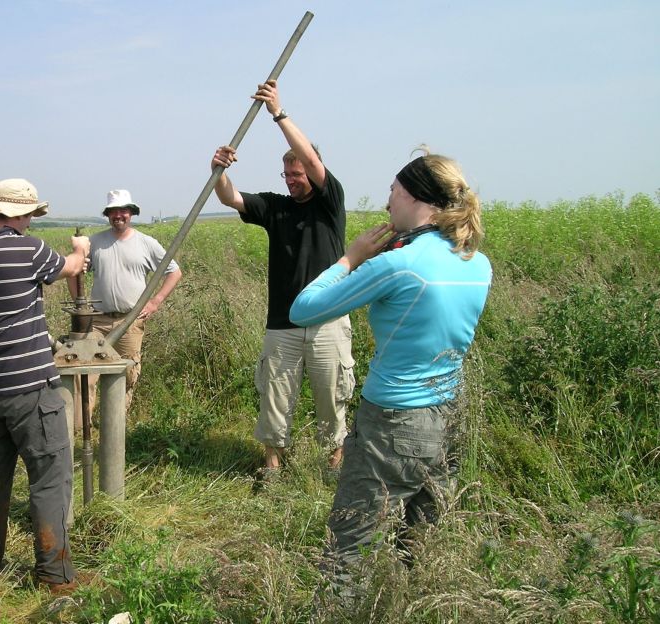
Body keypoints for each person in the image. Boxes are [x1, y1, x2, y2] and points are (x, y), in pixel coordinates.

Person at [288, 151, 492, 602]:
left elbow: (303, 309)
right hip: (449, 413)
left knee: (351, 541)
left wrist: (351, 258)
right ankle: (418, 604)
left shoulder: (400, 263)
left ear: (418, 198)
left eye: (392, 194)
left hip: (393, 421)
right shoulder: (477, 262)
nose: (386, 206)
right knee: (422, 537)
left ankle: (338, 611)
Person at [211, 79, 355, 473]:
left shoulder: (330, 203)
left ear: (312, 171)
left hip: (328, 321)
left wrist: (278, 112)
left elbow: (311, 160)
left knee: (332, 397)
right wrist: (218, 171)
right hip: (283, 323)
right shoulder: (276, 207)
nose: (291, 180)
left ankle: (333, 465)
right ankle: (272, 466)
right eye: (286, 175)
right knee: (274, 397)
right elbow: (229, 197)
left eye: (297, 174)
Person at [0, 178, 90, 594]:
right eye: (30, 215)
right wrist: (81, 250)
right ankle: (55, 576)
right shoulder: (27, 249)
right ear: (19, 215)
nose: (32, 221)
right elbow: (67, 267)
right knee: (51, 476)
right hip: (30, 387)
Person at [66, 189, 183, 413]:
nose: (118, 215)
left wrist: (155, 302)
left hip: (130, 321)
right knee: (87, 374)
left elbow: (174, 272)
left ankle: (116, 426)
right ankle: (83, 429)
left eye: (123, 211)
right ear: (108, 215)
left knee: (127, 374)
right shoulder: (95, 242)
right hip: (96, 321)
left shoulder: (146, 243)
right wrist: (81, 306)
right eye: (113, 211)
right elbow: (74, 272)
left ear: (131, 213)